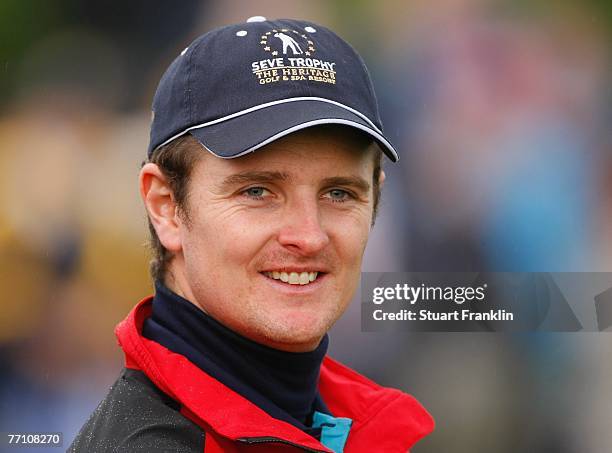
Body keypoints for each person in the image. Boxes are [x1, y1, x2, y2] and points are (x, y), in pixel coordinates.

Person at [69, 16, 434, 452]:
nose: (309, 235)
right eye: (257, 191)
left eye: (339, 193)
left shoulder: (349, 423)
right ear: (165, 206)